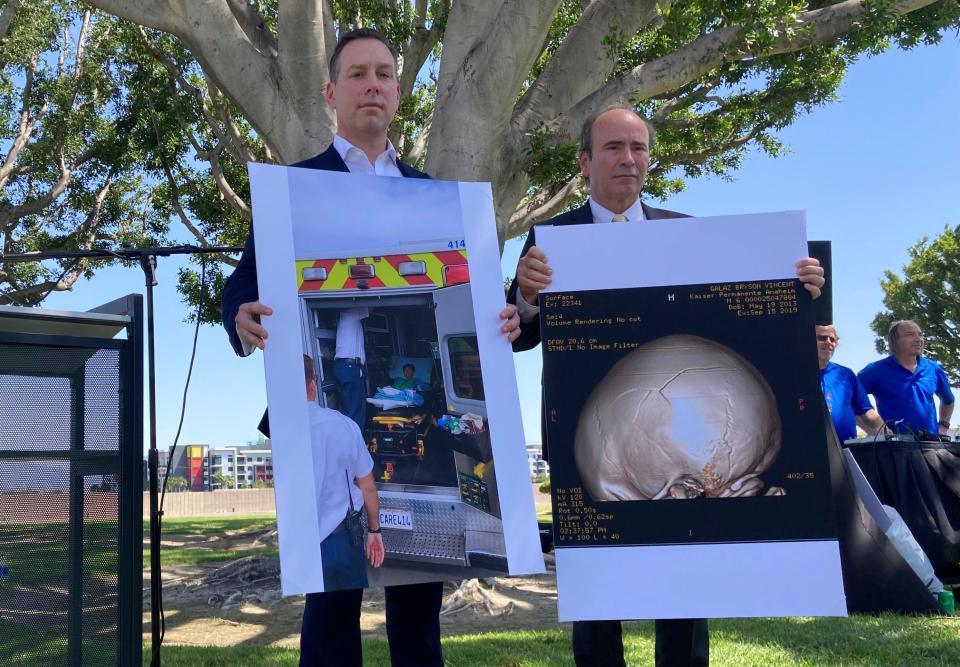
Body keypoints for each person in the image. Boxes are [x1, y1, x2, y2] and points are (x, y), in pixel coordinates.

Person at [221, 28, 521, 667]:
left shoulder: (437, 194)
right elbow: (244, 285)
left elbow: (477, 299)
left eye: (384, 74)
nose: (373, 85)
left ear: (398, 91)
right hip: (320, 457)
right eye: (357, 74)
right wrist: (238, 313)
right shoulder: (291, 190)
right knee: (330, 607)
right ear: (332, 92)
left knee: (418, 616)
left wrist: (503, 324)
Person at [507, 105, 825, 667]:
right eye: (613, 148)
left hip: (693, 438)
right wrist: (527, 299)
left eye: (639, 148)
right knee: (597, 595)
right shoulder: (550, 239)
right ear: (585, 162)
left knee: (685, 592)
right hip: (596, 446)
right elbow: (519, 335)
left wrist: (800, 288)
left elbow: (743, 312)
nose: (628, 160)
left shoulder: (687, 231)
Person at [304, 354, 385, 590]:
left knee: (319, 619)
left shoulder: (280, 431)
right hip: (345, 539)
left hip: (306, 544)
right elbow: (368, 485)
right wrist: (374, 530)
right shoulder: (345, 424)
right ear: (313, 385)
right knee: (349, 617)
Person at [858, 320, 955, 435]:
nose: (918, 339)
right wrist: (872, 429)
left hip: (930, 446)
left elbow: (948, 400)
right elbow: (848, 400)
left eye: (920, 335)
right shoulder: (875, 370)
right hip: (894, 447)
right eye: (910, 335)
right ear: (895, 341)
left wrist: (943, 426)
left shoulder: (933, 368)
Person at [816, 324, 884, 440]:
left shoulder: (846, 374)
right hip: (806, 450)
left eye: (832, 339)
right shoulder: (795, 374)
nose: (828, 342)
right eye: (822, 338)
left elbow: (865, 409)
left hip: (844, 451)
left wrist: (882, 427)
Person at [334, 307, 370, 429]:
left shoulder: (348, 317)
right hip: (350, 368)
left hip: (345, 367)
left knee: (347, 410)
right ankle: (356, 445)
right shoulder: (350, 313)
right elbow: (371, 307)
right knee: (356, 412)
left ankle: (348, 441)